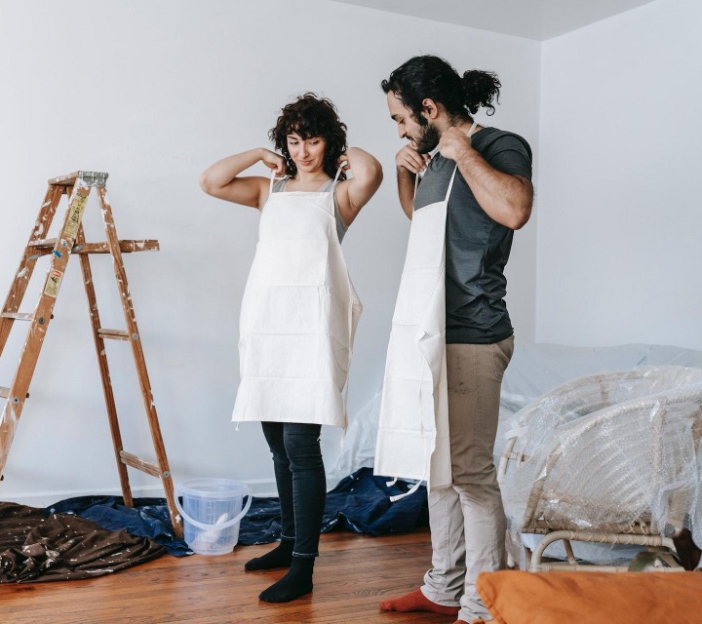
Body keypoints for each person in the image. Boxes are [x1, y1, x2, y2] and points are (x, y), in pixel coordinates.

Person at [199, 93, 382, 603]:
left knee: (302, 448)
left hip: (311, 335)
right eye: (295, 141)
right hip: (268, 330)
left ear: (330, 143)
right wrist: (260, 154)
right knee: (278, 448)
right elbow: (211, 181)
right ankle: (286, 544)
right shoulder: (269, 189)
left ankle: (304, 565)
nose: (303, 151)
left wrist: (347, 152)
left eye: (314, 139)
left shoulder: (339, 195)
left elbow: (371, 173)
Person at [374, 56, 533, 624]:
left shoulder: (499, 145)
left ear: (430, 109)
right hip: (431, 331)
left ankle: (483, 601)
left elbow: (514, 209)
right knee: (436, 469)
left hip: (474, 335)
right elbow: (424, 226)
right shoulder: (432, 160)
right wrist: (404, 170)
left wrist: (460, 148)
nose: (399, 129)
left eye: (401, 119)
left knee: (468, 473)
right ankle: (444, 587)